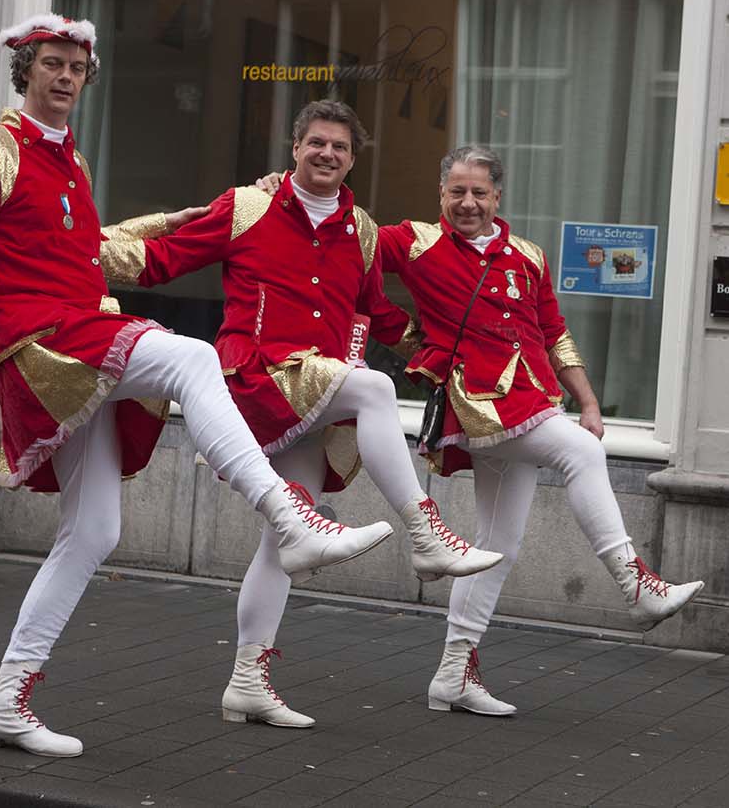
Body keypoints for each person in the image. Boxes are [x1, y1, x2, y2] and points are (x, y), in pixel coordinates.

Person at [0, 15, 392, 758]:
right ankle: (289, 517)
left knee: (96, 531)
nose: (67, 76)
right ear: (26, 70)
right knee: (191, 358)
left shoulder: (68, 160)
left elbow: (95, 251)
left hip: (77, 333)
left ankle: (6, 699)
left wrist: (193, 215)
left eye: (78, 65)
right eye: (53, 63)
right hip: (40, 343)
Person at [102, 100, 502, 729]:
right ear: (294, 147)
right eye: (317, 143)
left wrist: (445, 347)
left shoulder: (361, 228)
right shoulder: (249, 206)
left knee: (287, 541)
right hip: (261, 376)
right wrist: (81, 251)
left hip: (316, 396)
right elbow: (161, 261)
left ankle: (247, 681)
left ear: (351, 159)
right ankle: (426, 535)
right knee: (371, 388)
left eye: (340, 148)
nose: (327, 155)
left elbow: (378, 311)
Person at [375, 145, 704, 716]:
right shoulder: (416, 242)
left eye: (480, 192)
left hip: (532, 401)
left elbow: (555, 333)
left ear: (497, 197)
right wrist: (412, 342)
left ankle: (454, 672)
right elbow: (342, 248)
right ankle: (636, 585)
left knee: (496, 548)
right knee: (578, 451)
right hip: (477, 404)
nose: (468, 203)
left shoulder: (527, 255)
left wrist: (589, 401)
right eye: (457, 191)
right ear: (441, 195)